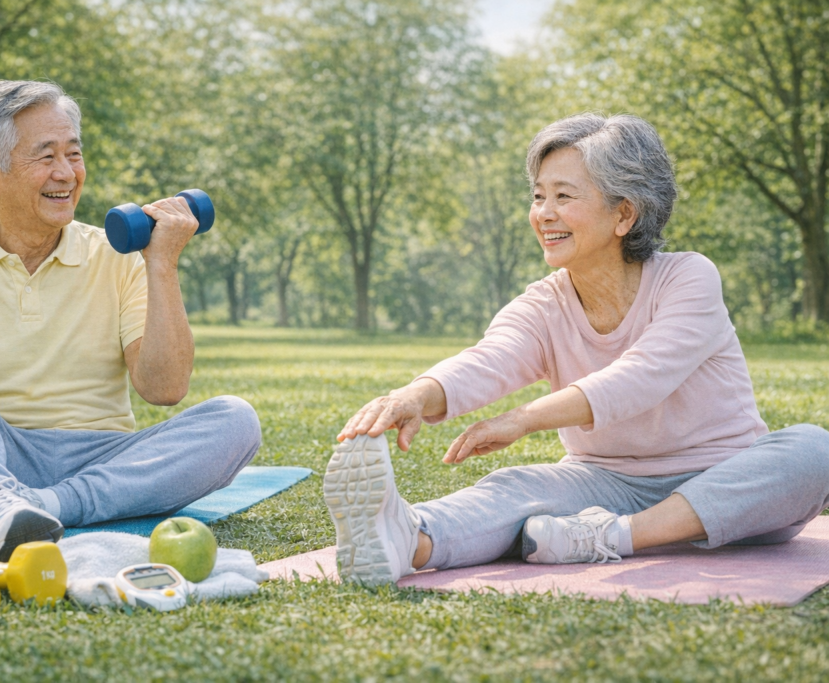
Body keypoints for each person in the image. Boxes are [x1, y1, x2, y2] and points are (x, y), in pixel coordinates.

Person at [325, 112, 829, 585]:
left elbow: (641, 376)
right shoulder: (543, 304)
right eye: (538, 196)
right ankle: (406, 539)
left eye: (564, 196)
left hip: (726, 480)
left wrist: (522, 419)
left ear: (624, 214)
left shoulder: (688, 277)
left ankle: (614, 537)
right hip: (603, 484)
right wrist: (416, 395)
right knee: (517, 487)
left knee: (813, 449)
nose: (544, 214)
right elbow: (490, 359)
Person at [0, 80, 261, 561]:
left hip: (97, 458)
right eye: (46, 156)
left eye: (74, 154)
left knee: (236, 420)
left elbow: (164, 387)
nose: (67, 174)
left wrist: (163, 263)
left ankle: (40, 507)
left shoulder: (117, 255)